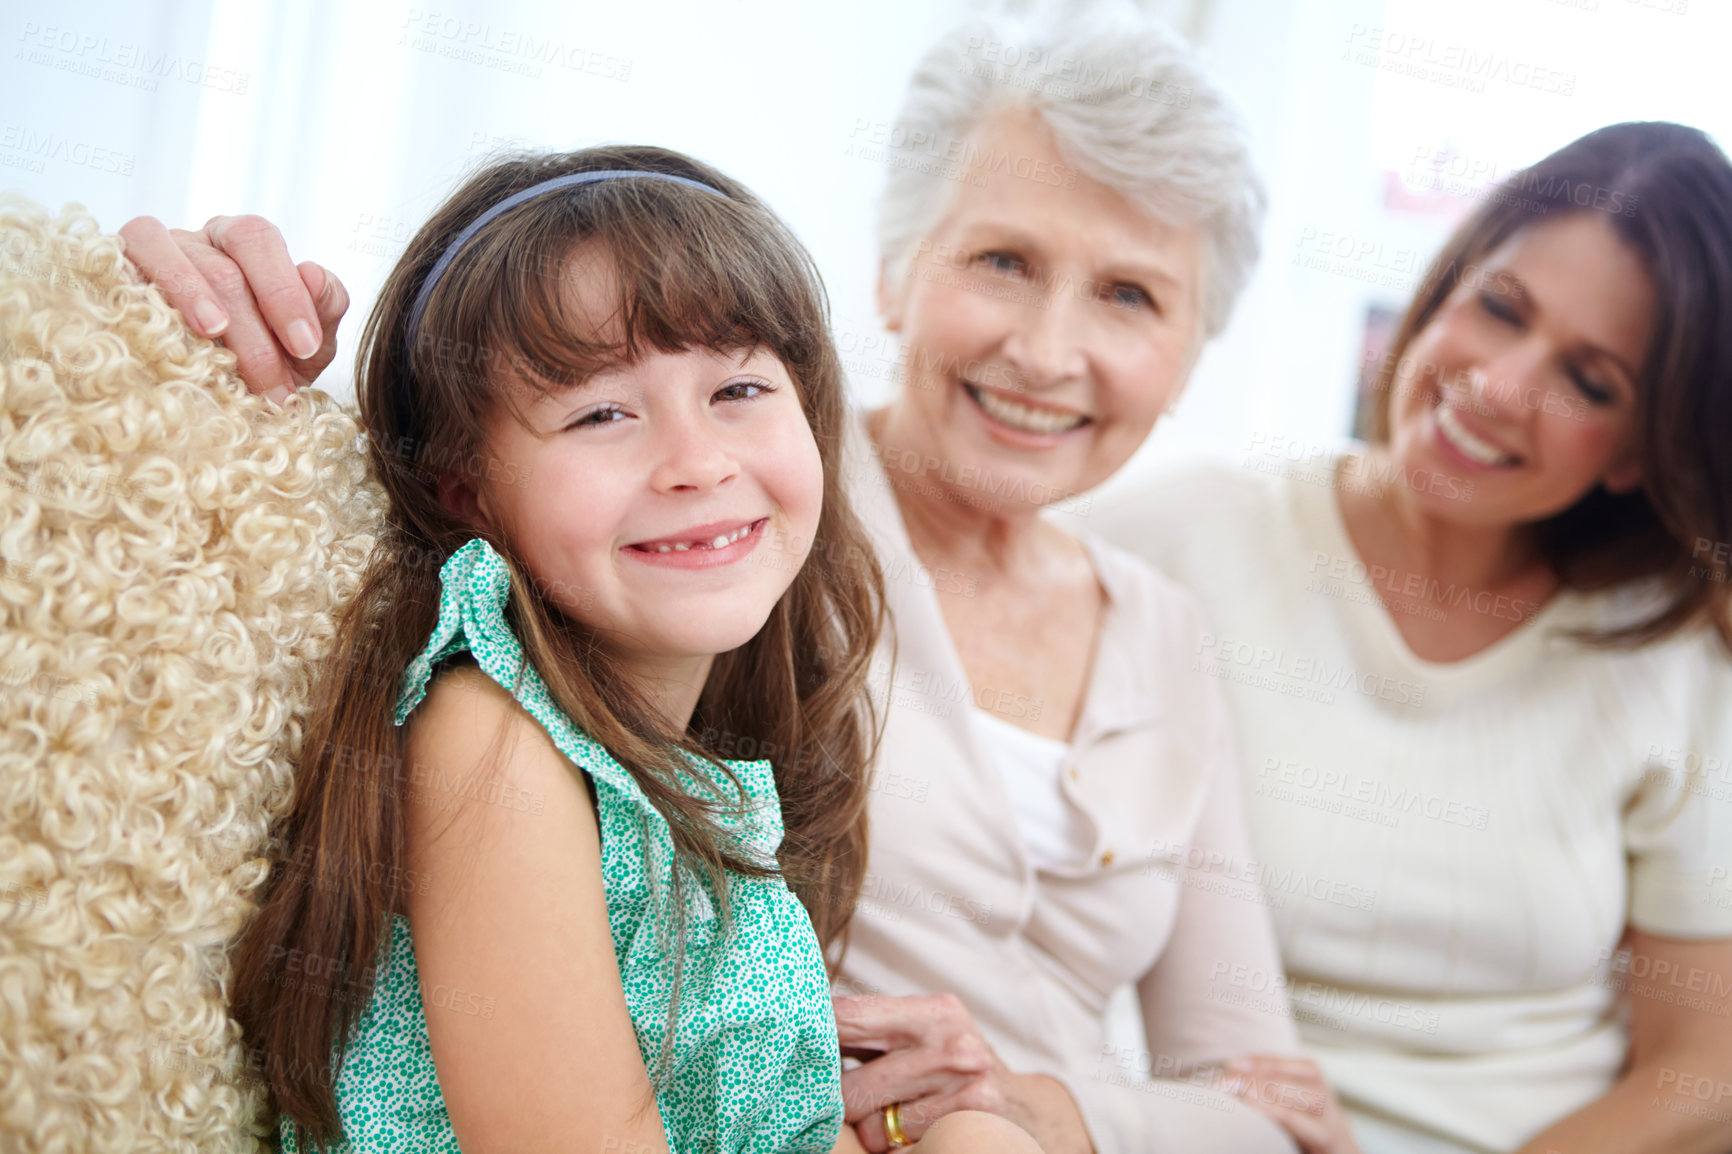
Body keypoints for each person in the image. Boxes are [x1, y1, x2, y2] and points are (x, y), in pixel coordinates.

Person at [121, 11, 1303, 1152]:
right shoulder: (732, 535)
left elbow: (1269, 1102)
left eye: (1131, 292)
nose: (1047, 350)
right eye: (1001, 259)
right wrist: (214, 341)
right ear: (891, 275)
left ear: (1196, 346)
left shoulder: (1154, 625)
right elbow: (457, 428)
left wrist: (1043, 1113)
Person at [214, 144, 1039, 1154]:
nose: (696, 461)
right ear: (466, 490)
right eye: (602, 411)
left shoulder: (690, 774)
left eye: (737, 389)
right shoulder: (493, 734)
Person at [1092, 123, 1732, 1153]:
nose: (1498, 385)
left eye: (1590, 382)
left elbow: (1705, 1069)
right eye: (1499, 308)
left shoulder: (1670, 655)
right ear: (1443, 287)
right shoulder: (1179, 536)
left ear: (1634, 451)